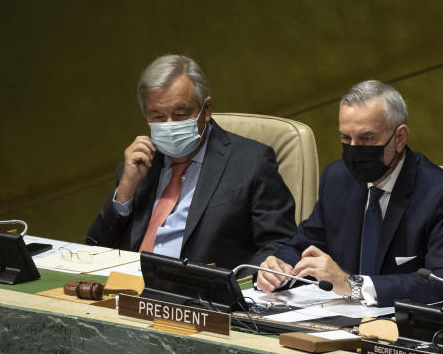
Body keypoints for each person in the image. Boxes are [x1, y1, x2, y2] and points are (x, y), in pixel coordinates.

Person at [257, 80, 443, 307]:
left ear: (399, 138)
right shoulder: (337, 179)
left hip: (406, 327)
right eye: (345, 138)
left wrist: (353, 284)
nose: (354, 149)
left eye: (367, 138)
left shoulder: (440, 194)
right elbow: (302, 247)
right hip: (341, 321)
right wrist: (279, 269)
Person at [87, 54, 297, 269]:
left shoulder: (252, 161)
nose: (169, 125)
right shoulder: (138, 163)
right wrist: (125, 193)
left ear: (206, 110)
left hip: (201, 294)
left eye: (179, 114)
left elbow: (280, 243)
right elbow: (96, 249)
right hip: (128, 287)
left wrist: (239, 284)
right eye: (158, 117)